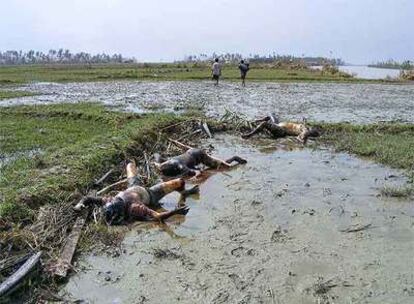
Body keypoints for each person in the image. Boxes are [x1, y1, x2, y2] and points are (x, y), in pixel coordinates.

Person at [74, 162, 198, 225]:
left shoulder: (110, 201)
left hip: (133, 186)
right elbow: (157, 216)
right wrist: (174, 212)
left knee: (130, 165)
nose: (113, 199)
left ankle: (184, 192)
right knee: (179, 181)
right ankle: (185, 193)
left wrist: (79, 205)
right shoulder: (135, 208)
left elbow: (88, 198)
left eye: (114, 200)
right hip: (151, 194)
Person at [154, 147, 247, 178]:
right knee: (215, 166)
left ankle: (235, 158)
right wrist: (157, 164)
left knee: (221, 166)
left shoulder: (178, 165)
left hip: (198, 155)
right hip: (191, 152)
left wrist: (176, 177)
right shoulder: (169, 160)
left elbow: (190, 172)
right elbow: (156, 155)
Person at [241, 113, 321, 144]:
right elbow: (305, 126)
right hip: (279, 125)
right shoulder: (304, 126)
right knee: (271, 115)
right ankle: (260, 119)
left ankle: (249, 135)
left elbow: (304, 134)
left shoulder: (305, 130)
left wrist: (301, 139)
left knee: (264, 124)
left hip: (282, 131)